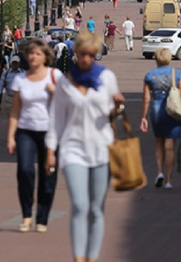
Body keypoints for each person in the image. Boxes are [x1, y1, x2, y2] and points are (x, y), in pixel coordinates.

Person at [45, 32, 125, 262]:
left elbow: (113, 116)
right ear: (75, 54)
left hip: (101, 148)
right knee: (80, 205)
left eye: (91, 55)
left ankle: (92, 257)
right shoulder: (64, 81)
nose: (87, 59)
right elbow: (56, 119)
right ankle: (78, 257)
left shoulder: (106, 78)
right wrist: (51, 150)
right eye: (82, 54)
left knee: (96, 209)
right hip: (72, 149)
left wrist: (118, 107)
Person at [7, 39, 62, 233]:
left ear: (45, 56)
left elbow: (66, 103)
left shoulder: (55, 76)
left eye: (38, 53)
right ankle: (26, 215)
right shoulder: (20, 79)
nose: (33, 57)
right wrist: (10, 136)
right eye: (30, 53)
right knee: (25, 171)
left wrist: (55, 92)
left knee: (48, 175)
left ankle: (42, 217)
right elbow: (15, 110)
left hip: (50, 131)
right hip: (25, 130)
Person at [141, 48, 181, 189]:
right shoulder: (176, 73)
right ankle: (169, 180)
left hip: (156, 109)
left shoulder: (150, 75)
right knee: (170, 146)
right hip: (172, 110)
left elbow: (146, 98)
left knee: (158, 143)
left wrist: (143, 117)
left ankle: (159, 172)